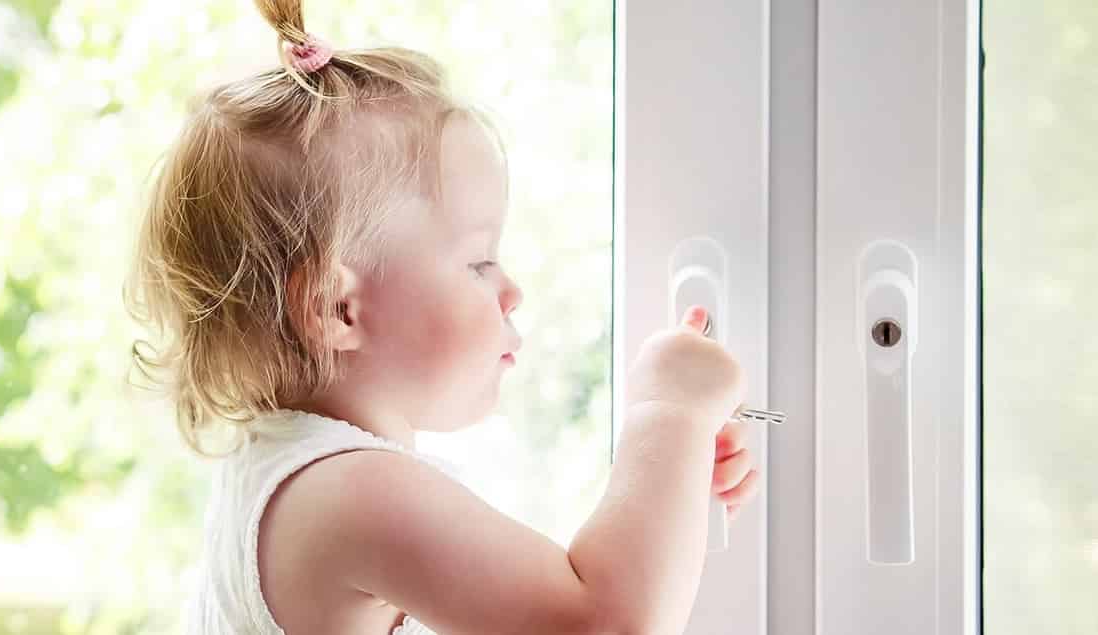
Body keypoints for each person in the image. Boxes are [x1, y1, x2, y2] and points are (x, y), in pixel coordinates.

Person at [125, 1, 761, 632]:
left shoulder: (292, 471)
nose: (511, 291)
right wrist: (668, 414)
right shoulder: (349, 495)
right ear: (337, 308)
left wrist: (667, 484)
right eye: (479, 262)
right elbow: (603, 624)